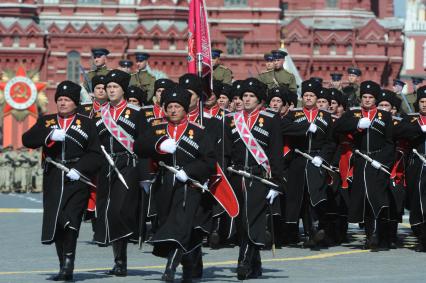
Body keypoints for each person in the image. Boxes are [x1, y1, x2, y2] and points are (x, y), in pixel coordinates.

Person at [22, 80, 102, 281]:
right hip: (54, 176)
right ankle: (62, 265)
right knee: (58, 221)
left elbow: (95, 154)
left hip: (77, 177)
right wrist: (49, 134)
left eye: (67, 100)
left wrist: (80, 168)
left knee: (71, 219)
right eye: (60, 100)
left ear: (75, 103)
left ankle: (68, 265)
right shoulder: (47, 121)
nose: (63, 103)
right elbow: (27, 139)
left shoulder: (87, 123)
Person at [134, 87, 216, 282]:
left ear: (185, 109)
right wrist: (158, 145)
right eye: (169, 106)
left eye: (177, 106)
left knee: (181, 225)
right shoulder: (157, 129)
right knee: (171, 224)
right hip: (165, 184)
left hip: (189, 186)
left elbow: (209, 161)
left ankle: (170, 267)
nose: (172, 110)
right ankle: (191, 264)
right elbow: (138, 147)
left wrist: (189, 171)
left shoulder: (198, 132)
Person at [224, 78, 284, 280]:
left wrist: (277, 182)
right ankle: (255, 265)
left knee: (254, 219)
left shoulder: (271, 119)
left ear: (259, 100)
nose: (247, 99)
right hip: (236, 175)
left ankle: (243, 262)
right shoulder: (231, 119)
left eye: (251, 96)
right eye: (244, 96)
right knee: (242, 222)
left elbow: (276, 152)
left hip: (260, 177)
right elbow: (225, 151)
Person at [93, 69, 149, 277]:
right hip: (106, 167)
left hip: (128, 166)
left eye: (115, 87)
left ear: (123, 90)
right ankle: (118, 259)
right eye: (108, 87)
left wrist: (144, 176)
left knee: (120, 211)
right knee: (108, 212)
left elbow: (143, 147)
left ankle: (121, 259)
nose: (111, 90)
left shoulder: (135, 112)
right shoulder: (99, 113)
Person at [334, 80, 394, 250]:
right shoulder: (353, 114)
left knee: (379, 199)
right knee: (365, 200)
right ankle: (370, 236)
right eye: (364, 97)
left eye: (370, 97)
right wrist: (356, 125)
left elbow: (390, 143)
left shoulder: (385, 116)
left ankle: (382, 235)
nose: (367, 100)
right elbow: (337, 127)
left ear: (375, 99)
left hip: (378, 163)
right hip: (361, 161)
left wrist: (382, 160)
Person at [281, 79, 336, 248]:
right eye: (306, 95)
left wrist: (323, 157)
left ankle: (315, 228)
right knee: (300, 197)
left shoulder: (326, 116)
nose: (308, 98)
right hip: (298, 160)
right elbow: (283, 128)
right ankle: (305, 232)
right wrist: (305, 127)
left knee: (316, 196)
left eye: (312, 95)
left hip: (316, 160)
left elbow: (331, 141)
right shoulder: (293, 114)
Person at [395, 85, 426, 251]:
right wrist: (418, 129)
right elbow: (399, 130)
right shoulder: (412, 119)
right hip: (417, 164)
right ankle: (421, 236)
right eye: (422, 101)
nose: (425, 104)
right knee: (417, 202)